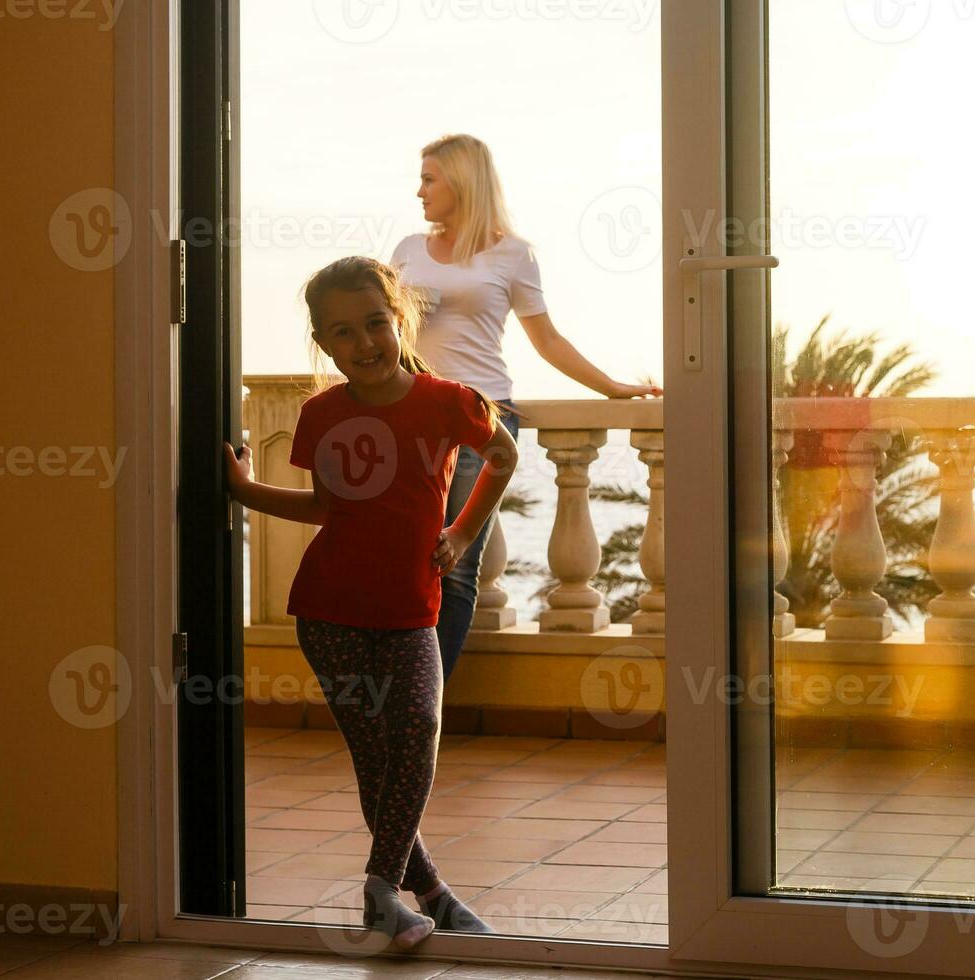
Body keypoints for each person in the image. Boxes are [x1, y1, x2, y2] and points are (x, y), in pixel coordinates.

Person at [224, 255, 515, 948]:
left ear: (400, 319)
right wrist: (241, 492)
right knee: (379, 764)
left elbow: (503, 459)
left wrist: (463, 530)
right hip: (329, 611)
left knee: (417, 727)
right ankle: (412, 896)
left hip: (412, 608)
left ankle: (396, 891)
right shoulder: (321, 414)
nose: (365, 344)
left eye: (376, 324)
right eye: (343, 333)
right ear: (324, 344)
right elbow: (326, 508)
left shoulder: (451, 401)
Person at [389, 132, 661, 682]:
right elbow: (385, 334)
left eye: (428, 178)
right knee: (407, 558)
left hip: (480, 416)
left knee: (457, 564)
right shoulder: (407, 251)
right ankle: (401, 693)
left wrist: (613, 387)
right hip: (413, 413)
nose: (419, 190)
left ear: (461, 181)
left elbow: (547, 340)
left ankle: (427, 700)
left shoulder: (513, 253)